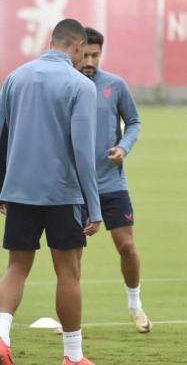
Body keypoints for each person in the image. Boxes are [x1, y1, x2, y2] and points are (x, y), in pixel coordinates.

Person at [0, 19, 101, 365]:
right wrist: (95, 207)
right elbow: (84, 153)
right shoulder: (81, 85)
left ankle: (0, 336)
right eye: (83, 52)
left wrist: (2, 188)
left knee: (16, 267)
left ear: (51, 40)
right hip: (63, 194)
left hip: (19, 191)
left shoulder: (15, 77)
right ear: (77, 47)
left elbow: (1, 136)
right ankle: (73, 356)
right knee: (68, 272)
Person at [77, 27, 151, 333]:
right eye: (86, 54)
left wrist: (124, 147)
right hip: (74, 187)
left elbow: (133, 121)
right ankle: (72, 318)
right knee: (71, 255)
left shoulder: (115, 85)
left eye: (96, 54)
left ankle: (135, 305)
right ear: (75, 51)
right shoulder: (64, 85)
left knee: (127, 246)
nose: (91, 60)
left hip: (111, 184)